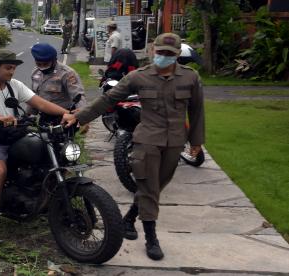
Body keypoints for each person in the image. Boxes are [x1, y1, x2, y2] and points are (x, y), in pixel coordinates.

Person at [62, 33, 205, 261]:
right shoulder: (139, 76)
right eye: (160, 52)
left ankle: (129, 218)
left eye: (169, 54)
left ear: (178, 55)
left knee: (156, 187)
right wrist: (80, 117)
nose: (164, 57)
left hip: (175, 142)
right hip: (147, 139)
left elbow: (197, 110)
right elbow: (109, 99)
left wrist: (196, 142)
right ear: (152, 52)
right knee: (149, 187)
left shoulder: (190, 78)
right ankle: (151, 237)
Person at [0, 49, 69, 248]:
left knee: (48, 153)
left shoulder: (14, 86)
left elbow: (40, 103)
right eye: (7, 68)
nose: (11, 72)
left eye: (13, 68)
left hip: (14, 135)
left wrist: (69, 114)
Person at [30, 43, 87, 125]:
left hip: (64, 116)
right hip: (44, 116)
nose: (42, 67)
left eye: (45, 64)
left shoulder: (67, 73)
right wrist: (30, 115)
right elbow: (34, 96)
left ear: (54, 60)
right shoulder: (35, 73)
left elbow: (78, 96)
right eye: (39, 64)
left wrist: (82, 118)